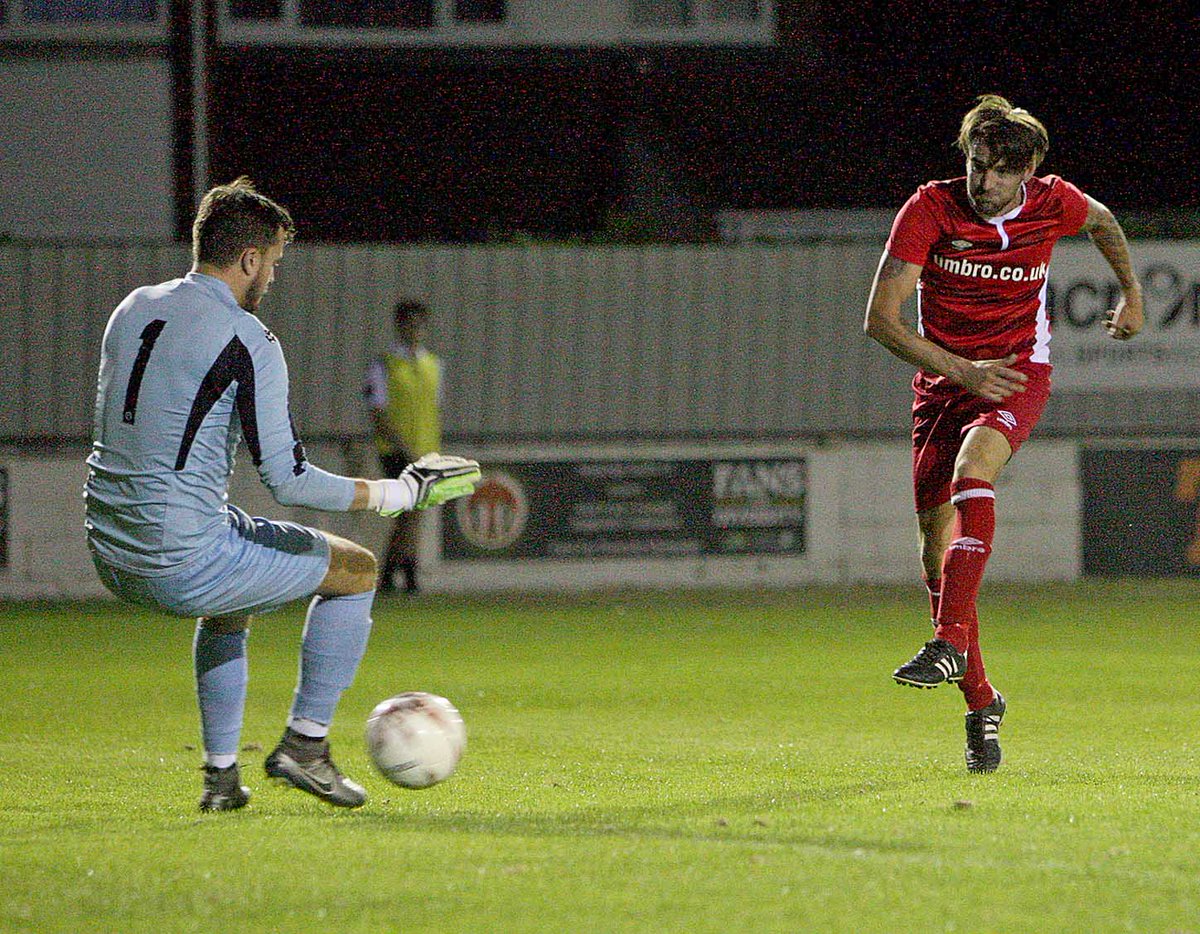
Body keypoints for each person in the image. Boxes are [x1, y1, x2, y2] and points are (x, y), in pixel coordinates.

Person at [84, 177, 481, 812]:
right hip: (178, 558)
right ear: (248, 260)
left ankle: (220, 780)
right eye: (272, 263)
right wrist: (397, 493)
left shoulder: (132, 308)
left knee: (231, 596)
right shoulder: (248, 340)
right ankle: (306, 745)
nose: (271, 278)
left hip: (108, 550)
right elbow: (290, 479)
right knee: (356, 569)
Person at [863, 95, 1143, 772]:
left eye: (999, 173)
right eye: (975, 165)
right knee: (935, 557)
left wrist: (1131, 293)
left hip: (1017, 372)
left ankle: (950, 639)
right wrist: (961, 369)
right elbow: (880, 318)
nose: (983, 183)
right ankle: (981, 702)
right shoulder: (929, 207)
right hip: (944, 383)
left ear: (1029, 172)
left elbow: (1103, 223)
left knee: (973, 470)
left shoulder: (1055, 203)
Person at [363, 300, 442, 595]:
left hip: (426, 450)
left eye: (420, 324)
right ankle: (392, 573)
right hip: (396, 451)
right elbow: (377, 410)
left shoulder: (433, 364)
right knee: (408, 511)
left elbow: (433, 410)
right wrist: (402, 446)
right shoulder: (384, 364)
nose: (415, 330)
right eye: (409, 323)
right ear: (399, 325)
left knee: (416, 512)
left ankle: (403, 572)